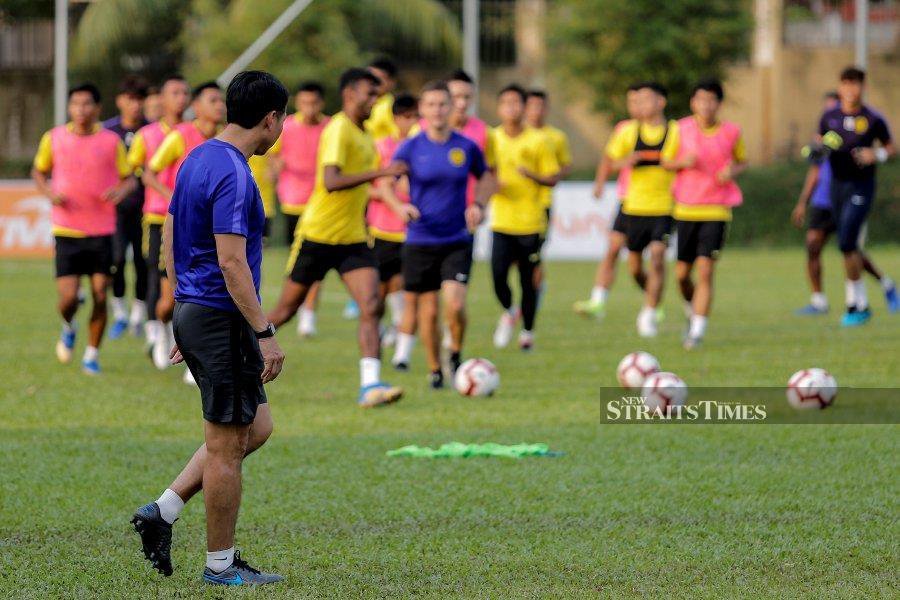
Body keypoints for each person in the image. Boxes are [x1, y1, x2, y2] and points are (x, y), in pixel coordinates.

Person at [131, 70, 287, 586]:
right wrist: (265, 332)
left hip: (202, 313)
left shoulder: (197, 155)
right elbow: (231, 262)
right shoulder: (236, 173)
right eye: (280, 119)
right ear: (271, 119)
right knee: (226, 446)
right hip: (221, 317)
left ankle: (163, 511)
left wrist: (180, 309)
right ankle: (220, 565)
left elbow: (171, 233)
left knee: (254, 429)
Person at [266, 68, 406, 408]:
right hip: (318, 233)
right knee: (285, 311)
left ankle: (370, 385)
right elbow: (331, 180)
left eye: (377, 95)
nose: (374, 101)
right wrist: (381, 173)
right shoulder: (338, 130)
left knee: (372, 304)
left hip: (353, 238)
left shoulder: (365, 132)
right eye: (367, 94)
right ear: (348, 95)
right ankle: (225, 355)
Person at [386, 81, 494, 387]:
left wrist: (479, 204)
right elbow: (385, 182)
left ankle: (456, 351)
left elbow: (487, 178)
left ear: (453, 108)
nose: (437, 110)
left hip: (456, 239)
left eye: (442, 104)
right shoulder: (410, 146)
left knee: (455, 304)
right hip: (419, 240)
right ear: (422, 109)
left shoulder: (466, 146)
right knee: (429, 313)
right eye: (431, 104)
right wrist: (398, 206)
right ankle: (435, 369)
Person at [32, 83, 134, 374]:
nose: (81, 110)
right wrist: (49, 192)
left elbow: (130, 178)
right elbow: (38, 171)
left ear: (97, 108)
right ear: (69, 108)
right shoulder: (53, 138)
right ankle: (69, 325)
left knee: (101, 293)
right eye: (75, 104)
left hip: (103, 230)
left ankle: (91, 354)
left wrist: (121, 191)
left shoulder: (110, 141)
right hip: (67, 230)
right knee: (67, 299)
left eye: (87, 104)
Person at [143, 81, 226, 371]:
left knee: (207, 292)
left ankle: (198, 359)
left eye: (222, 101)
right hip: (176, 228)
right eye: (213, 100)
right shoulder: (181, 136)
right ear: (198, 107)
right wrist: (176, 201)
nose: (220, 106)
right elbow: (149, 173)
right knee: (169, 302)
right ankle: (162, 330)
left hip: (211, 229)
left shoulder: (226, 140)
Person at [792, 91, 897, 315]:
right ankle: (819, 300)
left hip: (849, 194)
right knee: (813, 245)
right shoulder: (825, 135)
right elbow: (815, 169)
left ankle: (882, 286)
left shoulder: (854, 132)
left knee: (850, 248)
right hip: (824, 199)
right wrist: (803, 202)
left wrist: (873, 154)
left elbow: (885, 149)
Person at [668, 79, 747, 349]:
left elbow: (742, 160)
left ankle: (697, 332)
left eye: (712, 100)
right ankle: (692, 309)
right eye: (701, 99)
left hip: (716, 210)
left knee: (705, 270)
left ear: (719, 103)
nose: (706, 105)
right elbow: (666, 162)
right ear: (693, 102)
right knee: (681, 274)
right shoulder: (680, 129)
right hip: (686, 209)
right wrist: (681, 162)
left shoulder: (731, 132)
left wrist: (731, 171)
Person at [817, 67, 895, 326]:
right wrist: (817, 149)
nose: (850, 90)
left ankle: (857, 304)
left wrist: (878, 155)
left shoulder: (872, 118)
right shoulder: (829, 117)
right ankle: (863, 300)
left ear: (862, 87)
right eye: (846, 84)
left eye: (855, 84)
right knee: (847, 245)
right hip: (837, 186)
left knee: (847, 240)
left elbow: (891, 148)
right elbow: (820, 142)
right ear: (840, 87)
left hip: (861, 185)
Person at [489, 84, 561, 351]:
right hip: (501, 221)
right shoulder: (492, 138)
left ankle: (528, 332)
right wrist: (489, 186)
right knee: (497, 276)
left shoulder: (538, 140)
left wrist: (533, 176)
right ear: (499, 108)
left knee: (528, 280)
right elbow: (484, 172)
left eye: (516, 103)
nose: (511, 108)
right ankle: (510, 311)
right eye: (505, 103)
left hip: (531, 221)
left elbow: (553, 178)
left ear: (524, 107)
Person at [604, 81, 679, 338]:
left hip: (665, 207)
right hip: (634, 206)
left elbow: (687, 157)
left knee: (658, 257)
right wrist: (625, 162)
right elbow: (611, 161)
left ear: (661, 102)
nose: (640, 104)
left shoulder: (676, 131)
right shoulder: (628, 131)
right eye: (638, 100)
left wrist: (678, 164)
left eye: (646, 99)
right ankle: (653, 296)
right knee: (635, 267)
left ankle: (648, 314)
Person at [574, 84, 641, 318]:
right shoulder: (625, 129)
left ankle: (654, 302)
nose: (635, 107)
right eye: (631, 102)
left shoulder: (668, 131)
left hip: (656, 206)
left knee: (637, 265)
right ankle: (598, 301)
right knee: (612, 249)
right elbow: (610, 160)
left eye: (639, 101)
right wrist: (600, 183)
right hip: (629, 201)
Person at [269, 81, 330, 336]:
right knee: (297, 260)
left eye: (314, 103)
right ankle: (294, 307)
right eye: (304, 103)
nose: (309, 108)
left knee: (315, 260)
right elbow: (273, 155)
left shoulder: (330, 127)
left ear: (322, 103)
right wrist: (276, 171)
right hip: (293, 200)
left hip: (320, 202)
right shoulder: (288, 127)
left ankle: (308, 315)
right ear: (297, 103)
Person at [367, 93, 418, 348]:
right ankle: (382, 326)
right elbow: (366, 187)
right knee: (381, 287)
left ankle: (400, 326)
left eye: (416, 118)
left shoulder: (422, 147)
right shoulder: (381, 147)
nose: (412, 123)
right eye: (407, 117)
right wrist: (389, 196)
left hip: (410, 230)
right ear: (396, 119)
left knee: (403, 281)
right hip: (381, 227)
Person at [103, 75, 150, 339]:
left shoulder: (151, 130)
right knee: (118, 259)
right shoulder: (108, 132)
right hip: (116, 209)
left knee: (144, 263)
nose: (135, 105)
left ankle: (137, 314)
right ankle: (119, 311)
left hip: (146, 208)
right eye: (130, 99)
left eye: (139, 99)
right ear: (120, 100)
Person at [365, 57, 399, 141]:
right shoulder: (366, 104)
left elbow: (399, 137)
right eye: (368, 78)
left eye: (377, 79)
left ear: (391, 82)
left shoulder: (391, 108)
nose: (372, 82)